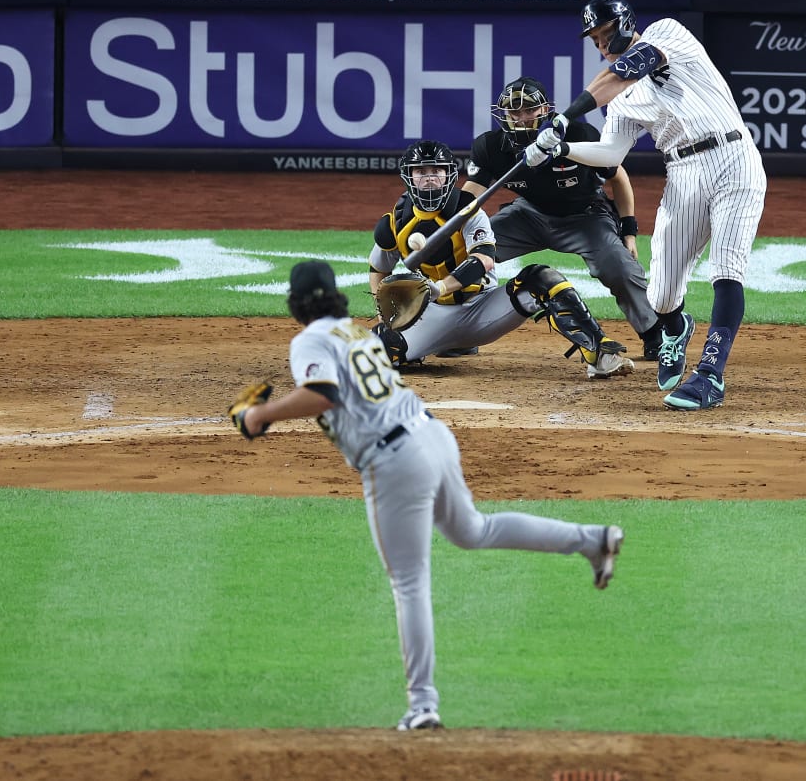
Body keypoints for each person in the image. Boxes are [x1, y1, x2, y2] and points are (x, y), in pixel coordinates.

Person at [226, 257, 624, 736]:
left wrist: (259, 417)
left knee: (409, 583)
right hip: (431, 434)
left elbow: (322, 393)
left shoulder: (310, 339)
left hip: (396, 460)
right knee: (474, 530)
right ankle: (592, 540)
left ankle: (422, 704)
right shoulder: (353, 332)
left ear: (295, 303)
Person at [526, 0, 768, 410]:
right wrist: (562, 149)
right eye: (595, 41)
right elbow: (610, 156)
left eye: (604, 35)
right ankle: (676, 327)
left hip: (735, 158)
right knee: (660, 296)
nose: (601, 46)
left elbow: (625, 70)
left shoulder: (666, 33)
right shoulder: (621, 102)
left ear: (624, 23)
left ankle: (710, 375)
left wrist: (567, 114)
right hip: (683, 173)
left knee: (727, 269)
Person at [366, 139, 633, 373]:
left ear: (449, 175)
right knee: (370, 355)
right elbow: (378, 266)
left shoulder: (469, 210)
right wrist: (385, 316)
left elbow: (483, 260)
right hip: (431, 317)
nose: (429, 178)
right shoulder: (395, 221)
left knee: (541, 278)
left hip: (481, 309)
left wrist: (440, 287)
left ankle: (600, 354)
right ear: (408, 176)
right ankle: (427, 346)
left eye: (436, 170)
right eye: (420, 172)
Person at [462, 75, 662, 359]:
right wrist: (446, 222)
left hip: (586, 216)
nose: (520, 118)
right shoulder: (492, 147)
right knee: (462, 250)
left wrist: (628, 231)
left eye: (528, 110)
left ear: (545, 111)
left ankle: (655, 333)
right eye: (513, 112)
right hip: (528, 215)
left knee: (618, 266)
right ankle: (459, 332)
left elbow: (619, 177)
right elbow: (469, 198)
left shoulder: (578, 135)